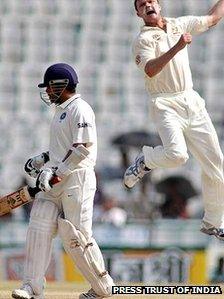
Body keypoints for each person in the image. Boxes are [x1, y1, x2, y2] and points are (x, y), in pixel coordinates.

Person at [12, 63, 114, 299]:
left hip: (77, 179)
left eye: (48, 87)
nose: (47, 92)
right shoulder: (61, 111)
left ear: (61, 85)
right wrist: (43, 158)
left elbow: (82, 149)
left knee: (75, 235)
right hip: (55, 178)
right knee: (39, 225)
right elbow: (63, 147)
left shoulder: (81, 109)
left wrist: (56, 172)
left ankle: (103, 288)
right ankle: (32, 287)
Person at [124, 0, 224, 240]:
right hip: (165, 103)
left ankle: (213, 221)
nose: (148, 5)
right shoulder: (143, 40)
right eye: (142, 4)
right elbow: (150, 69)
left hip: (191, 101)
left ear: (159, 6)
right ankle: (146, 159)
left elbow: (213, 18)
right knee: (177, 155)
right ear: (138, 13)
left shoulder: (178, 24)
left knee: (217, 165)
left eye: (151, 1)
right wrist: (178, 47)